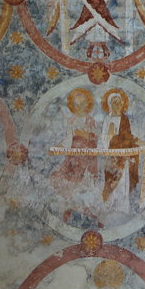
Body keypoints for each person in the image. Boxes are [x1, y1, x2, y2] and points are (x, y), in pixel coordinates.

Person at [50, 88, 99, 221]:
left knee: (81, 183)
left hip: (85, 157)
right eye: (76, 105)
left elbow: (95, 139)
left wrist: (84, 135)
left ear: (87, 105)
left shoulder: (90, 121)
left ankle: (87, 210)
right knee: (61, 178)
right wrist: (57, 148)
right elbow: (68, 139)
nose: (79, 108)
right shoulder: (71, 120)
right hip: (72, 156)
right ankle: (69, 206)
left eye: (82, 104)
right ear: (72, 106)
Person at [99, 89, 139, 214]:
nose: (118, 106)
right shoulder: (107, 119)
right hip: (111, 155)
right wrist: (109, 139)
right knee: (110, 179)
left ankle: (121, 208)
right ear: (110, 105)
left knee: (122, 181)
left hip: (123, 156)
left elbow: (127, 136)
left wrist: (120, 139)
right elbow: (103, 136)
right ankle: (109, 205)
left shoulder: (125, 119)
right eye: (115, 103)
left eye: (119, 103)